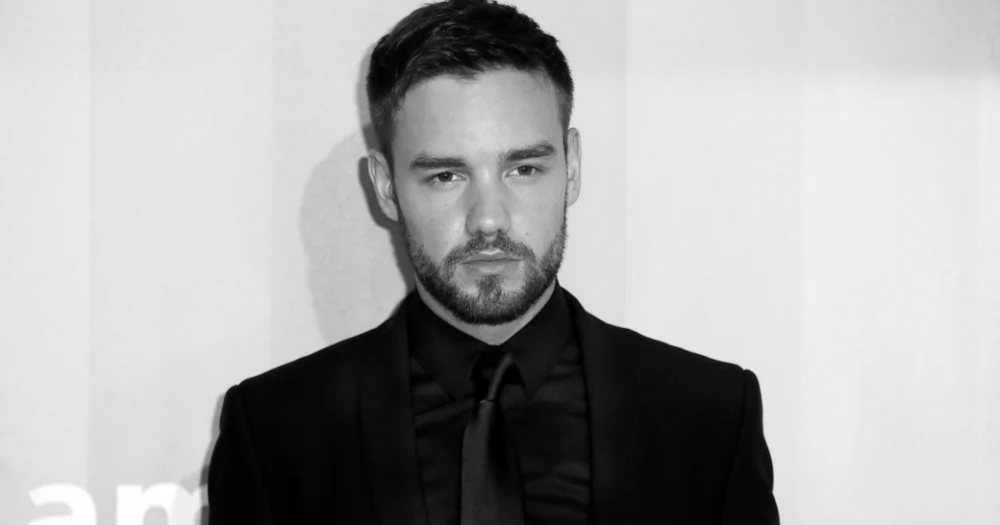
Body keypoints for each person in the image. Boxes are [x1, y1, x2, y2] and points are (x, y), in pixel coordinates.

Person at [208, 0, 779, 523]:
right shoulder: (275, 431)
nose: (488, 219)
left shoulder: (709, 417)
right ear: (385, 188)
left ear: (572, 167)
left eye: (523, 169)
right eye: (446, 175)